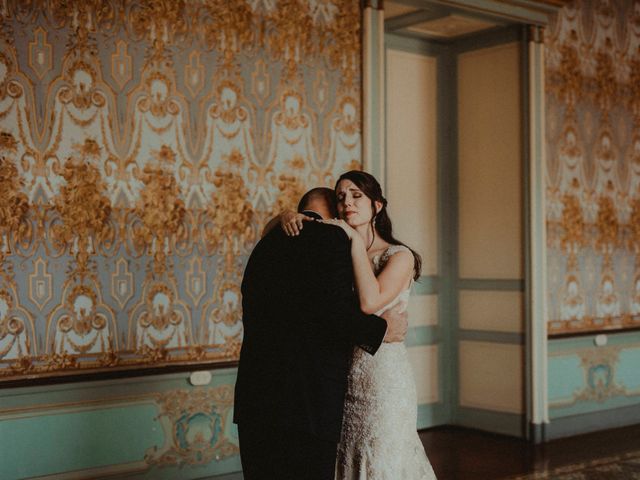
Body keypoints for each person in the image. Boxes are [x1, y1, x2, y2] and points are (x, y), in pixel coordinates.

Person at [233, 187, 409, 480]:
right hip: (306, 400)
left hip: (255, 396)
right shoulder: (330, 239)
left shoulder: (263, 246)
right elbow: (333, 311)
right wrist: (383, 329)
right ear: (334, 214)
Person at [281, 170, 436, 479]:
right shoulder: (335, 250)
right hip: (343, 374)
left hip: (383, 379)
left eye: (356, 195)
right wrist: (286, 214)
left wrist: (353, 240)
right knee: (346, 459)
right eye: (340, 198)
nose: (347, 203)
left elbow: (369, 302)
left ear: (377, 206)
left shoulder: (399, 255)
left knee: (380, 458)